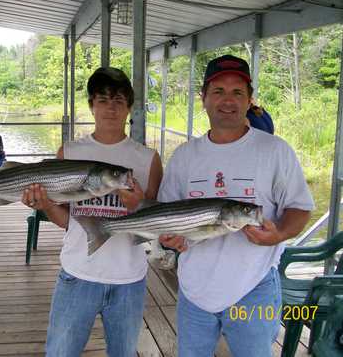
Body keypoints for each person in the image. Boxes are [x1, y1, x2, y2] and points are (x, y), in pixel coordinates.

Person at [158, 54, 314, 357]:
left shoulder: (275, 150)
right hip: (193, 292)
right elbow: (167, 215)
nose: (227, 100)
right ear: (203, 98)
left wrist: (279, 234)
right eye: (218, 91)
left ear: (249, 100)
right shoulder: (184, 156)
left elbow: (300, 207)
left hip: (253, 289)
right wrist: (169, 238)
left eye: (237, 92)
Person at [21, 67, 163, 357]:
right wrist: (45, 204)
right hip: (77, 273)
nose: (111, 107)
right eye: (103, 99)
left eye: (119, 100)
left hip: (129, 280)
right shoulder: (69, 152)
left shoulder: (148, 159)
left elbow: (155, 225)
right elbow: (68, 223)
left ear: (129, 108)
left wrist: (138, 205)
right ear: (91, 104)